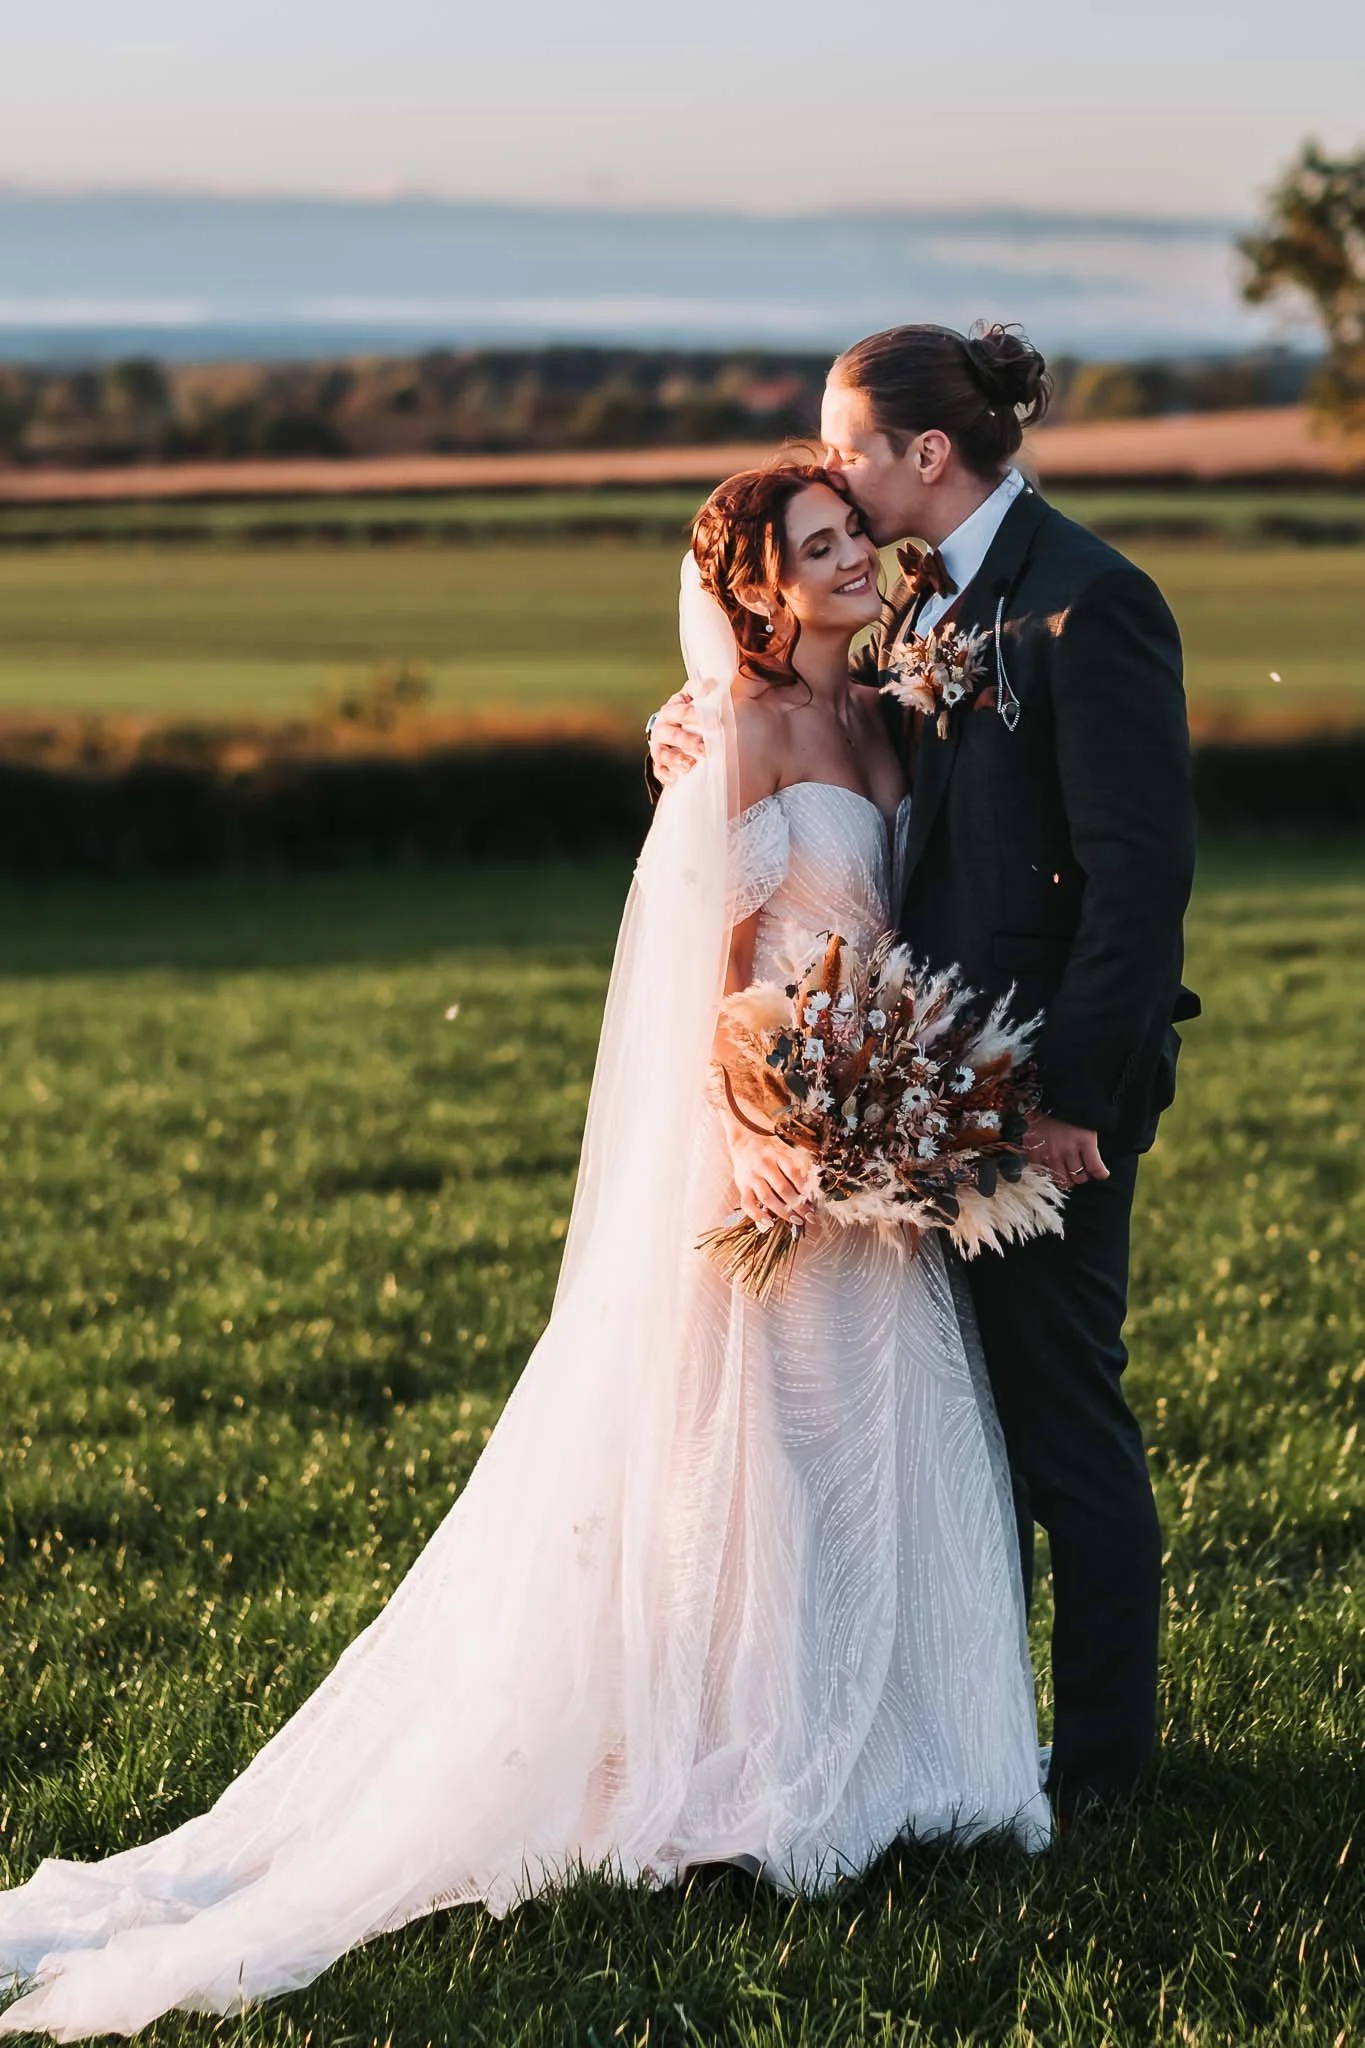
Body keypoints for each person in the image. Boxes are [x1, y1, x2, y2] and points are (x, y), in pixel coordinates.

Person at [0, 463, 1050, 2042]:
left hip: (873, 1169)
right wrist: (767, 1127)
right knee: (749, 1468)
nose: (849, 562)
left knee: (874, 1457)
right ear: (756, 595)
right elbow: (700, 977)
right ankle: (733, 1776)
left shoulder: (894, 717)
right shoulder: (744, 740)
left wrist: (889, 1111)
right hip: (770, 1164)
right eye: (815, 550)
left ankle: (902, 1757)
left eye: (851, 537)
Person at [648, 321, 1200, 1824]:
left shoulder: (1091, 606)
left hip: (1042, 1113)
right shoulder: (913, 621)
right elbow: (828, 755)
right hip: (913, 1110)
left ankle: (1098, 1781)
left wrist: (1076, 1098)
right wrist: (701, 721)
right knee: (941, 1442)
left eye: (847, 452)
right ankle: (924, 1747)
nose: (831, 474)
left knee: (1064, 1429)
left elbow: (1140, 885)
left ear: (925, 456)